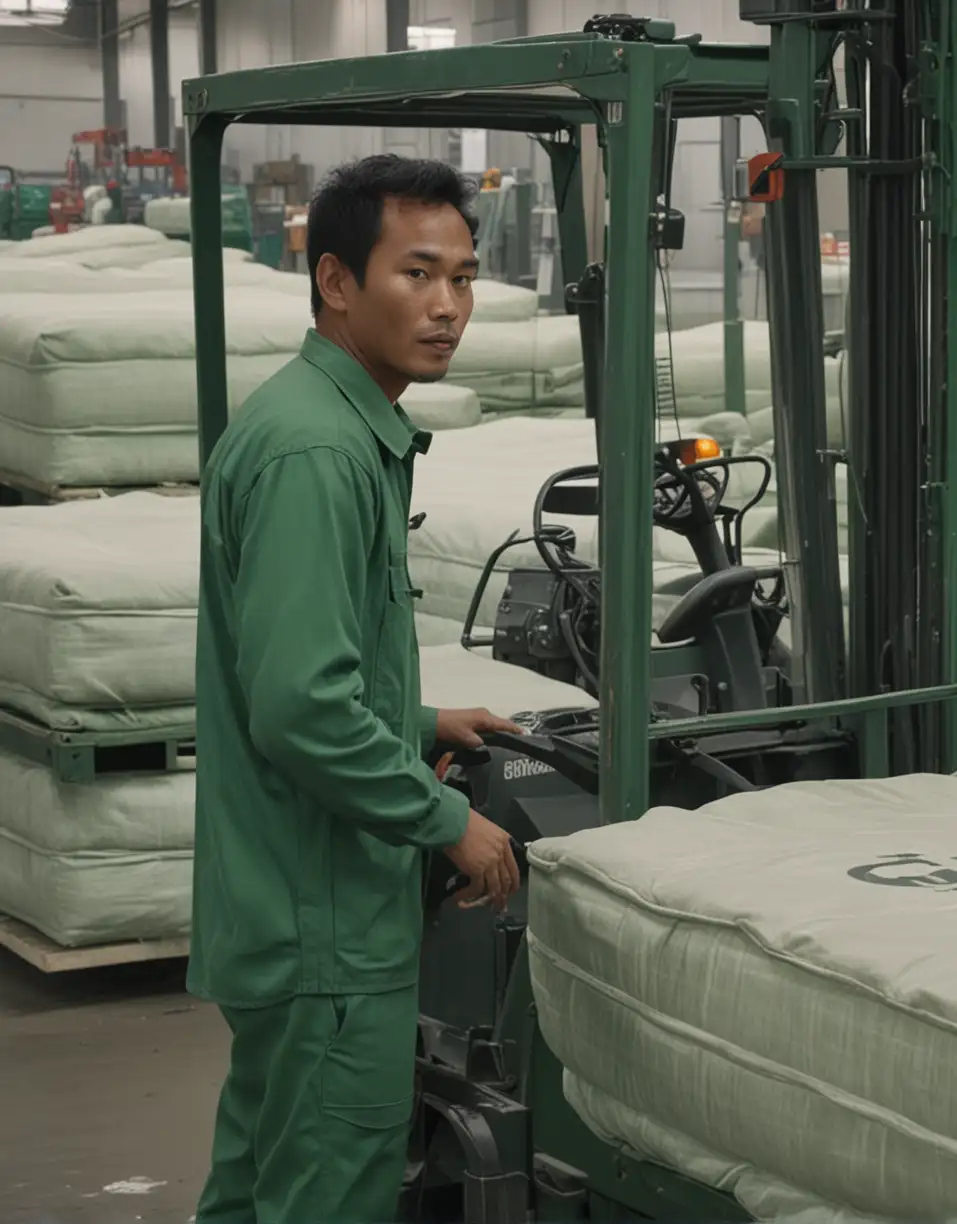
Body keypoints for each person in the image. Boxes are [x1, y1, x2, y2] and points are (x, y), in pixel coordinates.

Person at [190, 154, 525, 1224]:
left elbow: (304, 668)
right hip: (324, 920)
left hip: (294, 914)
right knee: (327, 1195)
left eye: (464, 278)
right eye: (417, 274)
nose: (446, 306)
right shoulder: (318, 453)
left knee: (259, 1190)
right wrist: (444, 822)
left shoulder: (330, 429)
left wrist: (423, 720)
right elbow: (299, 707)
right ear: (336, 282)